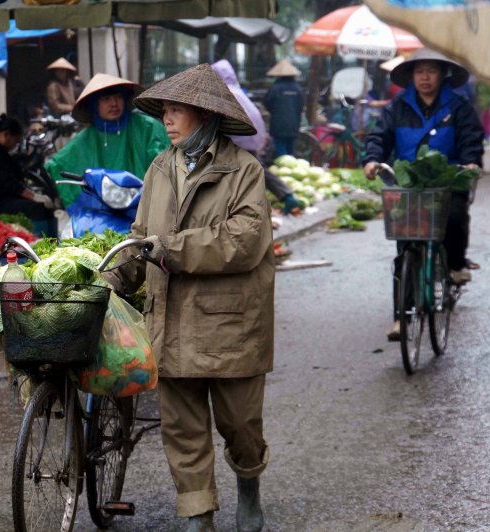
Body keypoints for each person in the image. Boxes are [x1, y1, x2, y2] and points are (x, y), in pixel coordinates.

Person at [103, 63, 275, 532]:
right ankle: (198, 513)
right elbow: (141, 236)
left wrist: (171, 249)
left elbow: (244, 239)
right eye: (165, 111)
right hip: (172, 320)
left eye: (178, 111)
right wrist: (111, 279)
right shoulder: (160, 168)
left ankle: (248, 486)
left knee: (240, 425)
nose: (168, 120)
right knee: (182, 429)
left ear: (205, 115)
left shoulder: (244, 171)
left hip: (231, 322)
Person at [363, 48, 484, 340]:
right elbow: (379, 136)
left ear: (443, 75)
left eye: (431, 71)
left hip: (447, 179)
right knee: (404, 248)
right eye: (420, 72)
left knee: (455, 214)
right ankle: (400, 318)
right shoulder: (397, 107)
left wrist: (471, 163)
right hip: (408, 182)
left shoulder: (458, 106)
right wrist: (371, 159)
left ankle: (455, 264)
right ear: (412, 76)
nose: (425, 77)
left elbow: (471, 139)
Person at [44, 73, 170, 207]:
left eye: (119, 97)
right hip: (102, 211)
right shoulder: (86, 137)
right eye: (106, 99)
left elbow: (165, 163)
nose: (114, 103)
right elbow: (57, 165)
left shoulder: (147, 127)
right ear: (94, 104)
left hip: (145, 206)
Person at [211, 59, 303, 216]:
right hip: (253, 136)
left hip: (236, 139)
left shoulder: (223, 94)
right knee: (258, 170)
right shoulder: (238, 92)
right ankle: (287, 196)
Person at [0, 114, 57, 235]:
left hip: (4, 199)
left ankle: (52, 242)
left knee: (47, 209)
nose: (15, 145)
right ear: (6, 135)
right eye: (16, 141)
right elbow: (11, 184)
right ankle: (41, 244)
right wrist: (34, 197)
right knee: (38, 208)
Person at [264, 59, 305, 157]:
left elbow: (267, 103)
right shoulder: (298, 89)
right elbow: (301, 105)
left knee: (280, 148)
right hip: (294, 123)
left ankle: (283, 167)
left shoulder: (275, 88)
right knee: (291, 149)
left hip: (278, 123)